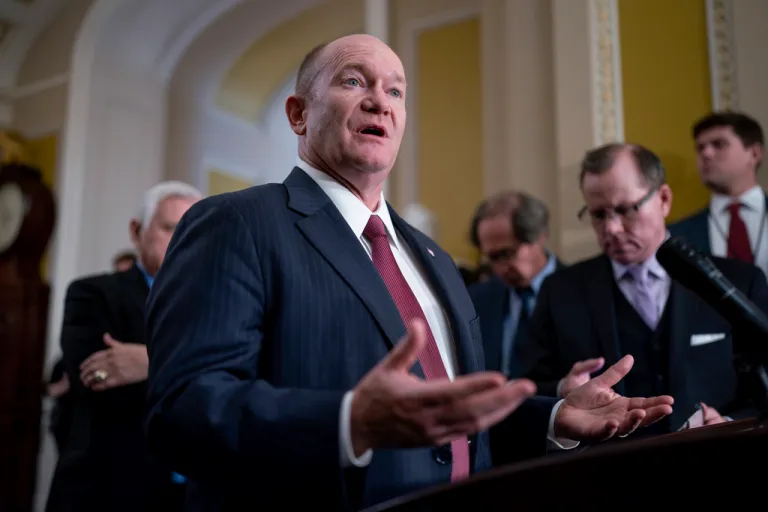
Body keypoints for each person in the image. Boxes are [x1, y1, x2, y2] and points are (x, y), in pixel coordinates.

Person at [144, 35, 673, 511]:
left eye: (395, 91)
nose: (380, 100)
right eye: (354, 81)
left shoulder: (432, 256)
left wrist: (554, 415)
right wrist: (349, 421)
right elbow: (184, 409)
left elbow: (449, 414)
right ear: (298, 114)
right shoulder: (237, 222)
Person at [520, 143, 768, 439]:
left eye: (626, 210)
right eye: (599, 214)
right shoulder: (560, 291)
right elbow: (527, 388)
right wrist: (562, 390)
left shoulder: (739, 280)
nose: (611, 228)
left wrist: (729, 421)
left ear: (663, 199)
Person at [45, 181, 202, 512]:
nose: (183, 241)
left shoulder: (217, 304)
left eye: (195, 230)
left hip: (191, 494)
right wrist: (197, 367)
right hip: (111, 491)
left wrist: (149, 361)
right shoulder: (93, 294)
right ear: (136, 231)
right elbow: (94, 378)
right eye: (171, 228)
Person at [468, 191, 564, 379]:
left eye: (506, 254)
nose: (500, 268)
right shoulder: (476, 300)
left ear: (539, 236)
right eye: (491, 258)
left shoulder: (581, 292)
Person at [669, 112, 766, 273]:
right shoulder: (676, 237)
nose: (706, 154)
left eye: (719, 144)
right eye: (700, 148)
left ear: (754, 154)